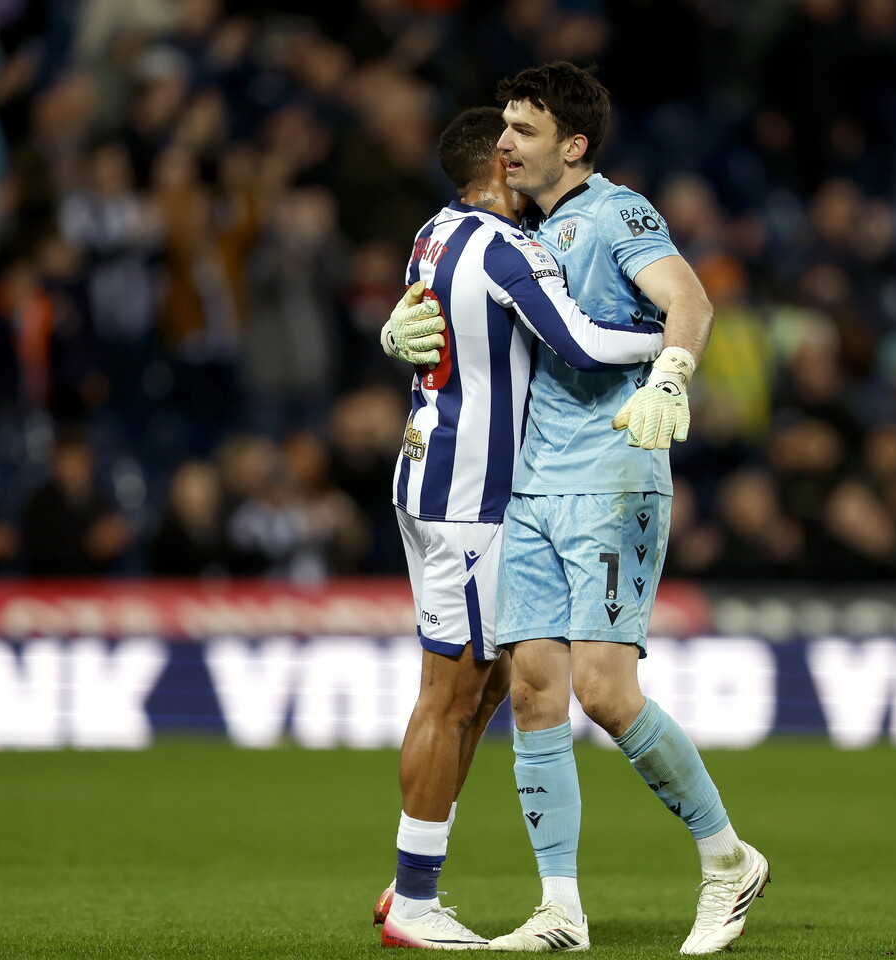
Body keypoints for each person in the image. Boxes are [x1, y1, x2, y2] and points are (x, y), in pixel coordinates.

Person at [485, 62, 770, 954]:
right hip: (531, 488)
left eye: (523, 131)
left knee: (605, 694)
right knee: (533, 694)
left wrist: (674, 372)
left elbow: (688, 297)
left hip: (613, 475)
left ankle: (729, 861)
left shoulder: (616, 212)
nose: (504, 143)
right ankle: (560, 910)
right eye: (502, 126)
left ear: (572, 146)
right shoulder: (525, 230)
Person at [374, 106, 665, 951]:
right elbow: (574, 340)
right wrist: (664, 345)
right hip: (473, 493)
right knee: (453, 696)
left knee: (489, 686)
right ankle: (415, 902)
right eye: (517, 157)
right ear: (500, 171)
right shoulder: (504, 244)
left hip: (434, 475)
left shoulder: (434, 232)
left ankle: (409, 887)